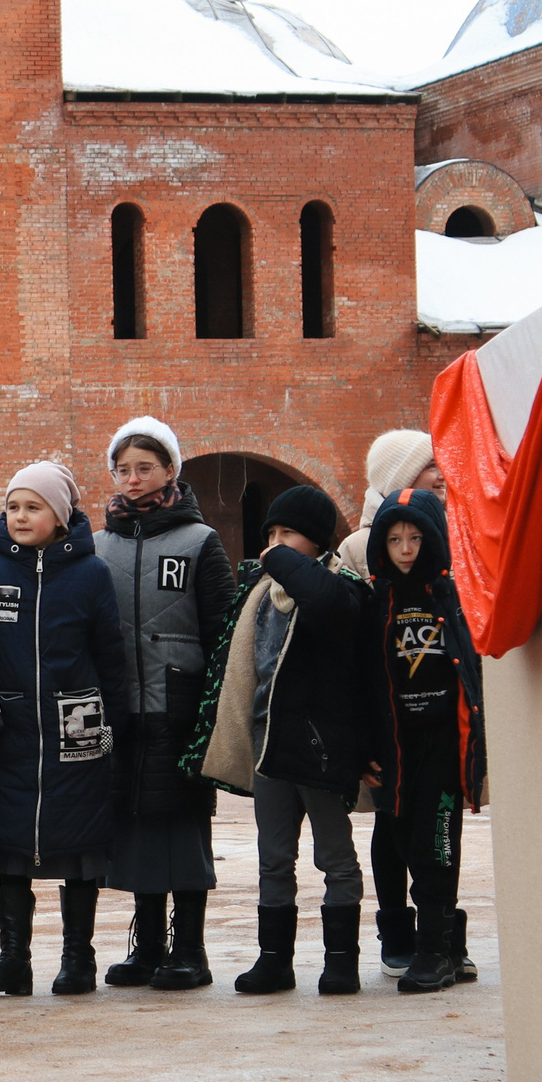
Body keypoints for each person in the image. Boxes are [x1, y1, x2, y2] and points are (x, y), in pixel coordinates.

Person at [185, 485, 371, 995]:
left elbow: (329, 605)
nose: (274, 543)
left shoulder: (344, 587)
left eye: (287, 533)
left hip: (321, 745)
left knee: (334, 855)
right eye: (269, 533)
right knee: (273, 856)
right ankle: (274, 960)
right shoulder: (260, 594)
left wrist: (287, 561)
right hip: (268, 741)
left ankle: (341, 961)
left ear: (315, 540)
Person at [0, 463, 130, 996]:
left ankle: (77, 959)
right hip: (9, 729)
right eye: (13, 506)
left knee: (80, 844)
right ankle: (14, 958)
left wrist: (116, 727)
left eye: (33, 507)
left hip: (77, 726)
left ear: (59, 517)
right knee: (10, 844)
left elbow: (110, 656)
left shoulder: (91, 573)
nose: (20, 516)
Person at [93, 418, 238, 993]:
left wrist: (211, 714)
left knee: (181, 829)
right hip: (122, 710)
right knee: (134, 826)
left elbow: (222, 634)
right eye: (123, 469)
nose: (133, 480)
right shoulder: (98, 545)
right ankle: (148, 945)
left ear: (171, 470)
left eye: (145, 468)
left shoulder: (200, 542)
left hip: (178, 709)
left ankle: (191, 950)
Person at [359, 489, 486, 996]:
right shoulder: (376, 601)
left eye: (415, 538)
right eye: (394, 539)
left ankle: (436, 951)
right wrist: (363, 746)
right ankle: (438, 942)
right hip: (393, 745)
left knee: (437, 841)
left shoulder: (453, 595)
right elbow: (362, 680)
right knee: (398, 840)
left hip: (442, 742)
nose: (406, 549)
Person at [334, 427, 447, 975]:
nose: (442, 473)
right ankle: (397, 930)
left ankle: (443, 935)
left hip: (439, 724)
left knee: (439, 829)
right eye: (431, 466)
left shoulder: (451, 535)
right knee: (391, 827)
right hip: (387, 726)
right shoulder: (359, 549)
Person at [335, 428, 441, 580]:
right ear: (402, 479)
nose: (443, 475)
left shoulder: (461, 533)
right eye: (432, 466)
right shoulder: (356, 548)